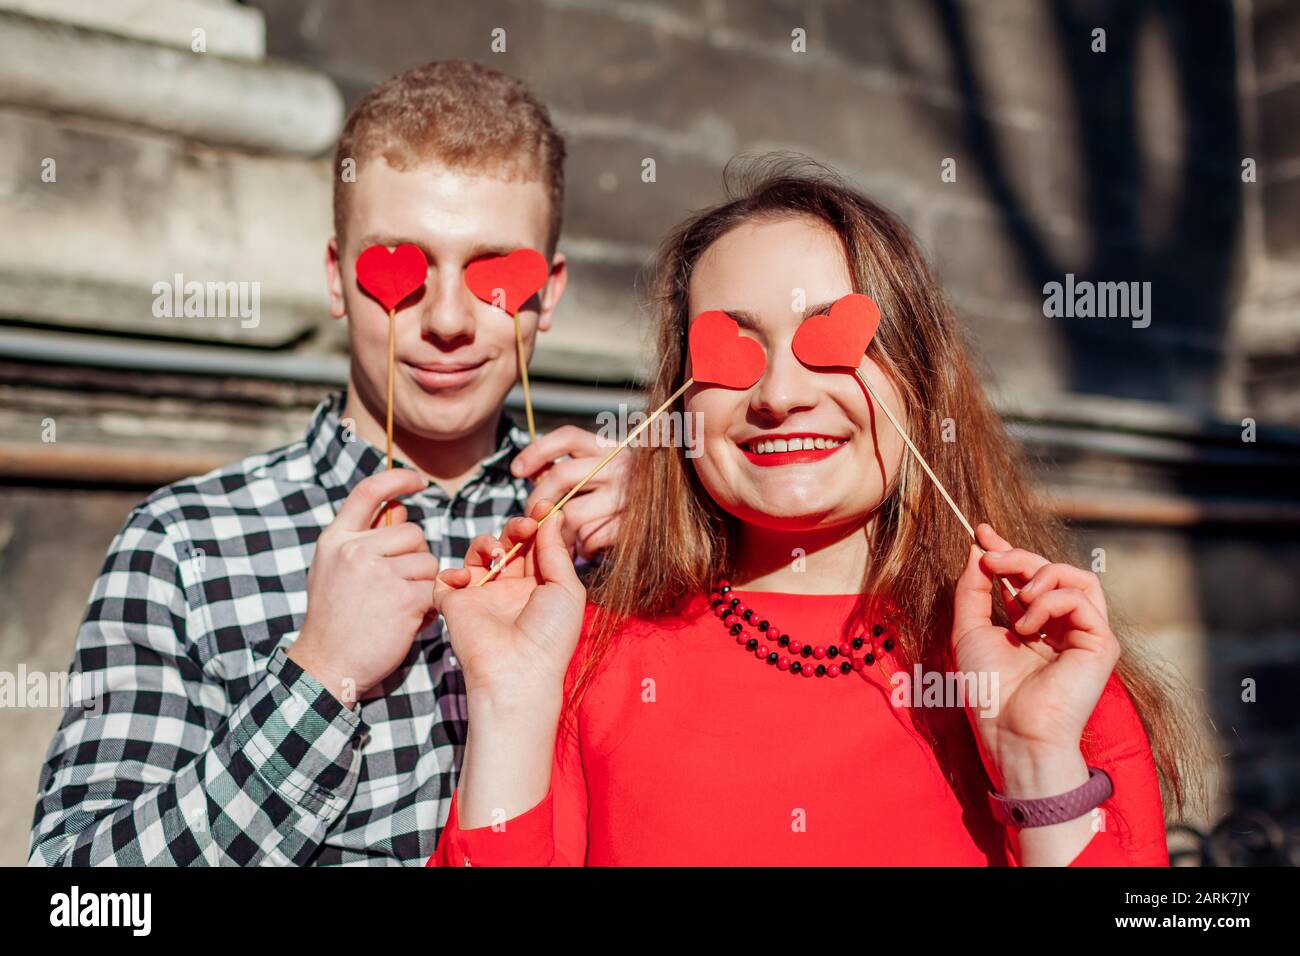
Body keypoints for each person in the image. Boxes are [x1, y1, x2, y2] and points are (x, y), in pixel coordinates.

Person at [426, 157, 1207, 866]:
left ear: (918, 381)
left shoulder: (1043, 668)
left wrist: (1038, 766)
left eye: (830, 341)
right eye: (732, 348)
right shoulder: (582, 660)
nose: (779, 394)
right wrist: (510, 703)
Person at [28, 61, 629, 866]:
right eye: (401, 271)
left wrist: (694, 532)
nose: (448, 320)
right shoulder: (184, 543)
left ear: (547, 296)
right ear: (338, 279)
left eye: (493, 273)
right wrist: (318, 676)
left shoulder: (612, 532)